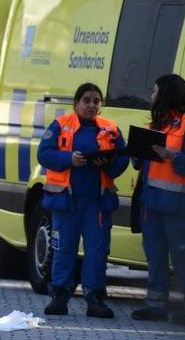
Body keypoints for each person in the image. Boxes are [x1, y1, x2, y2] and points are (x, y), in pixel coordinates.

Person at [37, 83, 129, 318]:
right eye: (86, 100)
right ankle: (59, 296)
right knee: (64, 249)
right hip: (67, 202)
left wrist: (107, 164)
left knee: (97, 252)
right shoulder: (60, 125)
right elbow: (44, 154)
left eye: (96, 101)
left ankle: (95, 299)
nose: (91, 105)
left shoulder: (111, 129)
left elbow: (121, 159)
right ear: (76, 103)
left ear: (101, 105)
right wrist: (69, 159)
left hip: (97, 203)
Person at [131, 74, 185, 325]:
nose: (151, 97)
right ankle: (155, 306)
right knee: (155, 254)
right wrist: (137, 155)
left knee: (183, 255)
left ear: (165, 94)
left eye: (154, 92)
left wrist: (172, 155)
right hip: (152, 203)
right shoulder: (156, 125)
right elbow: (144, 166)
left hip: (179, 205)